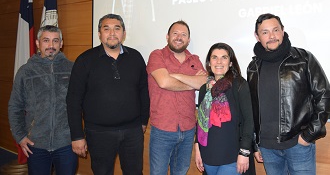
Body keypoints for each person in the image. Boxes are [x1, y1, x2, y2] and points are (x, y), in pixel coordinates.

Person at [247, 13, 330, 175]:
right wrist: (256, 143)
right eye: (265, 32)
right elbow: (252, 108)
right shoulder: (253, 67)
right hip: (267, 149)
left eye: (275, 30)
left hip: (298, 145)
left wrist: (308, 135)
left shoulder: (303, 59)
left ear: (283, 31)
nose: (272, 36)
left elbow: (326, 98)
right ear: (257, 36)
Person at [66, 14, 150, 174]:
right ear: (99, 34)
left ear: (123, 33)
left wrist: (143, 120)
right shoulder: (84, 60)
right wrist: (77, 135)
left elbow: (143, 91)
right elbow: (73, 100)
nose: (112, 33)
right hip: (98, 133)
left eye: (117, 28)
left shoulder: (136, 57)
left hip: (132, 131)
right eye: (106, 29)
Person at [8, 25, 78, 175]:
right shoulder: (25, 71)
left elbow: (83, 104)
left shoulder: (73, 69)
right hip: (36, 144)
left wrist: (80, 136)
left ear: (61, 43)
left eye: (55, 41)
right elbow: (15, 107)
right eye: (46, 40)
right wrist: (20, 136)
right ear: (37, 43)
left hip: (66, 144)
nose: (51, 46)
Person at [146, 20, 207, 175]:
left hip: (188, 129)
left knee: (180, 172)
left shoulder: (195, 60)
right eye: (175, 33)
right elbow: (164, 82)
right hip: (162, 129)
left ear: (188, 40)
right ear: (167, 36)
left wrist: (177, 76)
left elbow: (204, 83)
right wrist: (191, 82)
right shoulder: (157, 55)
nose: (179, 37)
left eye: (183, 35)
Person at [195, 43, 255, 175]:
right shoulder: (204, 89)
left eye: (224, 57)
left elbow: (249, 121)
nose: (219, 62)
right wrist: (197, 148)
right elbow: (200, 121)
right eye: (214, 57)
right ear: (209, 63)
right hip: (208, 155)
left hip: (232, 156)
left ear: (231, 62)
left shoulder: (239, 85)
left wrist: (244, 152)